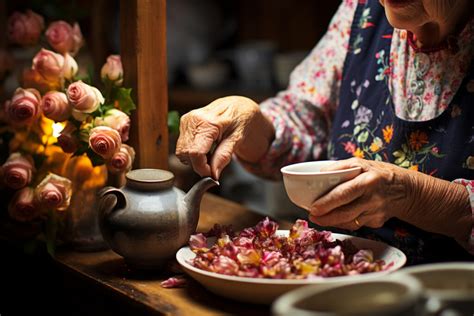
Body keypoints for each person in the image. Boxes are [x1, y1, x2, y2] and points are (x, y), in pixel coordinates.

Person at [176, 0, 474, 264]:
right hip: (337, 277)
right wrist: (247, 117)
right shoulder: (364, 10)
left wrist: (412, 195)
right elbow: (305, 119)